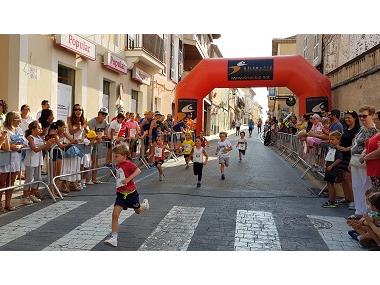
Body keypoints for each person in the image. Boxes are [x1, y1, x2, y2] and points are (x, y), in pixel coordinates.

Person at [103, 143, 149, 247]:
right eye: (114, 156)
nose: (114, 158)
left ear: (124, 156)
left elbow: (138, 170)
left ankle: (144, 205)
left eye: (116, 156)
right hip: (121, 195)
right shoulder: (119, 164)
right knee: (115, 215)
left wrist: (128, 179)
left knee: (138, 211)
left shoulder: (128, 164)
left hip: (131, 195)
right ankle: (114, 238)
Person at [349, 106, 379, 219]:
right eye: (360, 116)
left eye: (364, 116)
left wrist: (365, 157)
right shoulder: (362, 129)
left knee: (366, 186)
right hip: (355, 161)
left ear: (371, 115)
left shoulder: (374, 131)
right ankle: (359, 211)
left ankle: (366, 212)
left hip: (365, 162)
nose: (362, 118)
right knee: (356, 186)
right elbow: (355, 144)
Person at [22, 121, 54, 204]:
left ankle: (32, 194)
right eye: (38, 128)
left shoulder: (40, 138)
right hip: (30, 161)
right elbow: (35, 149)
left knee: (38, 178)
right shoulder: (30, 137)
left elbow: (45, 148)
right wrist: (45, 145)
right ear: (33, 129)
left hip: (38, 161)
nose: (40, 129)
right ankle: (25, 196)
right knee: (28, 179)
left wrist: (49, 143)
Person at [0, 112, 25, 211]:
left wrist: (19, 146)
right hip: (5, 157)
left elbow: (23, 142)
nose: (19, 121)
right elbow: (3, 145)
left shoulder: (18, 129)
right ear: (12, 119)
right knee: (2, 182)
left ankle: (8, 203)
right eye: (18, 119)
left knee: (11, 181)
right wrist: (13, 146)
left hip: (16, 157)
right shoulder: (4, 130)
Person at [335, 110, 360, 210]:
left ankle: (354, 201)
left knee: (349, 179)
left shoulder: (358, 130)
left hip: (351, 156)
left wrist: (346, 149)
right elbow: (341, 139)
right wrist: (338, 145)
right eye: (346, 117)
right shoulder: (346, 129)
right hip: (342, 155)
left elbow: (356, 144)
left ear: (355, 118)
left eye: (349, 117)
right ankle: (347, 198)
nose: (347, 119)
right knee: (344, 178)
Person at [67, 104, 88, 190]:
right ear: (73, 111)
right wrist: (79, 128)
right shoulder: (69, 119)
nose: (78, 111)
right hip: (71, 143)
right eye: (76, 109)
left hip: (80, 143)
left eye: (80, 110)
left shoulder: (84, 119)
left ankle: (77, 182)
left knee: (80, 165)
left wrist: (91, 135)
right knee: (72, 165)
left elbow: (88, 130)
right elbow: (71, 132)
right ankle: (72, 183)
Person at [322, 131, 344, 208]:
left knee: (331, 184)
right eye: (330, 139)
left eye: (333, 139)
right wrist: (326, 165)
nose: (331, 141)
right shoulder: (331, 148)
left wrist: (331, 166)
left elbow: (339, 159)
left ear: (338, 140)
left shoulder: (337, 149)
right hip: (328, 167)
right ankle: (331, 200)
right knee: (329, 184)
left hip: (333, 169)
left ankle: (332, 200)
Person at [88, 107, 110, 184]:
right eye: (102, 114)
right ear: (99, 114)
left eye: (105, 114)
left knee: (95, 161)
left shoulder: (106, 123)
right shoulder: (92, 122)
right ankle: (86, 180)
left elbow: (106, 134)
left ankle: (94, 179)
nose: (104, 116)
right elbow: (91, 135)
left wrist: (103, 136)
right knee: (87, 163)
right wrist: (100, 136)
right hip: (89, 143)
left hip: (96, 144)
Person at [361, 110, 380, 192]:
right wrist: (364, 152)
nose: (374, 120)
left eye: (376, 119)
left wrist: (365, 157)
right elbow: (367, 144)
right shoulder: (378, 133)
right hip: (373, 170)